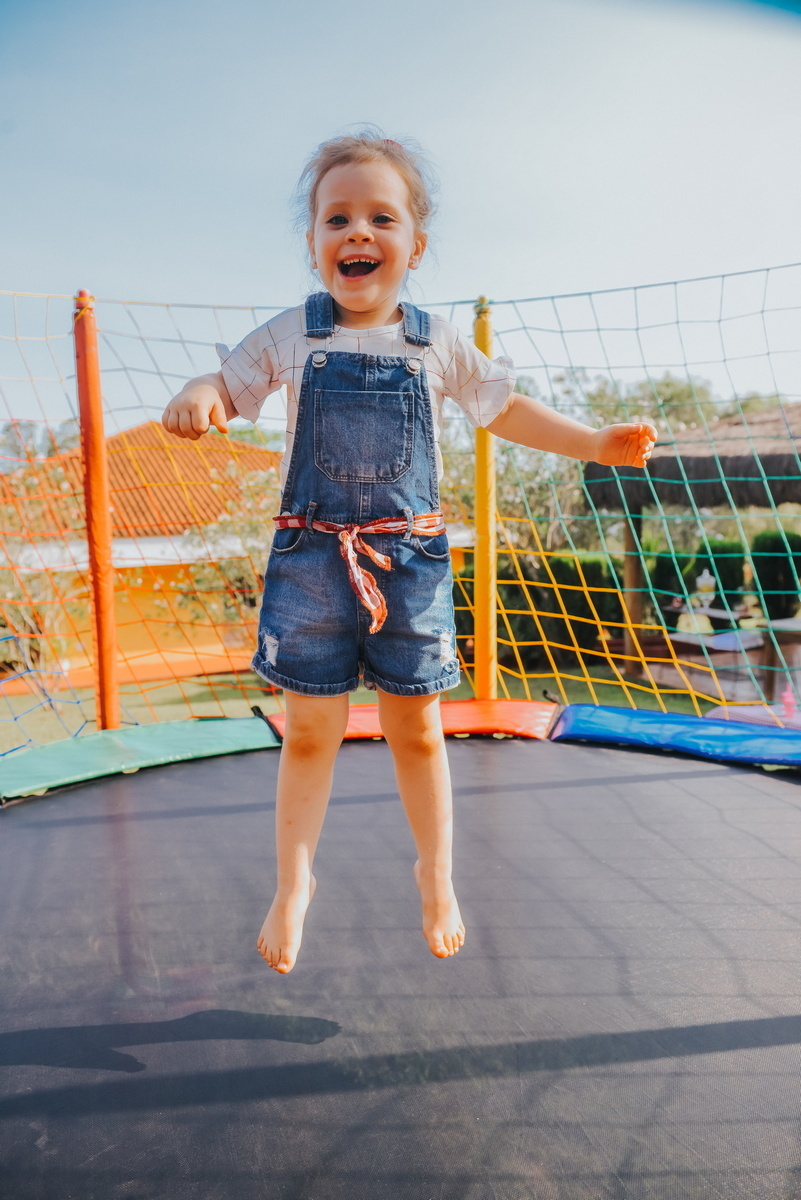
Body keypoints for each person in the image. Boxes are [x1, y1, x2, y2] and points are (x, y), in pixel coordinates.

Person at [162, 130, 657, 974]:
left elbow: (505, 409)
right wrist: (197, 393)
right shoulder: (292, 334)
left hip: (413, 563)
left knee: (416, 731)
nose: (357, 233)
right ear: (315, 243)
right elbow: (229, 385)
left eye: (379, 218)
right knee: (308, 733)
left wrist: (593, 443)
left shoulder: (435, 343)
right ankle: (293, 883)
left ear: (413, 246)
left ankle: (435, 872)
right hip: (313, 564)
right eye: (336, 219)